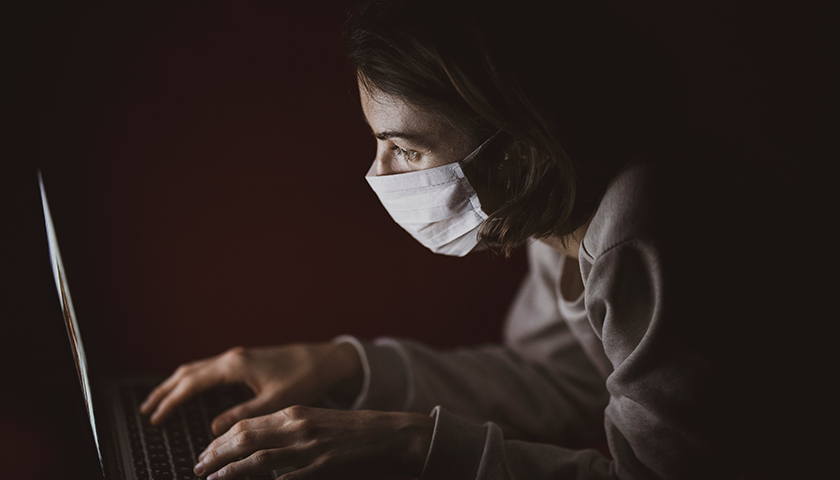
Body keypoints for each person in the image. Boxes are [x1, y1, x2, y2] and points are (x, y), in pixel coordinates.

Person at [139, 0, 818, 478]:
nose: (379, 174)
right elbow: (558, 381)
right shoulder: (560, 210)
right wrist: (343, 365)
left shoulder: (642, 229)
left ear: (518, 141)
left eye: (403, 148)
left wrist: (411, 446)